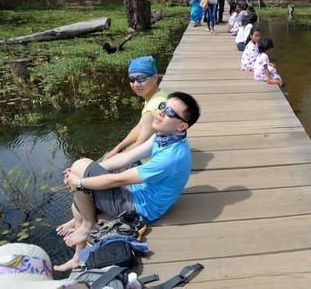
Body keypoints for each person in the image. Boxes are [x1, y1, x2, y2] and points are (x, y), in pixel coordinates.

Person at [54, 92, 201, 272]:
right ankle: (78, 257)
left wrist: (81, 182)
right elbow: (125, 159)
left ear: (182, 126)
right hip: (136, 193)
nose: (161, 112)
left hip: (140, 208)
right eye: (163, 106)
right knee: (77, 205)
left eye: (170, 112)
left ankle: (88, 224)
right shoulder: (163, 136)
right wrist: (87, 171)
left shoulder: (172, 156)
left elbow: (119, 179)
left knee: (80, 170)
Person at [102, 56, 167, 160]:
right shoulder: (159, 96)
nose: (136, 84)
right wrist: (117, 149)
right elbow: (140, 127)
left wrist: (113, 159)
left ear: (154, 78)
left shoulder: (153, 108)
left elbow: (139, 146)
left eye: (141, 78)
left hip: (150, 164)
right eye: (132, 79)